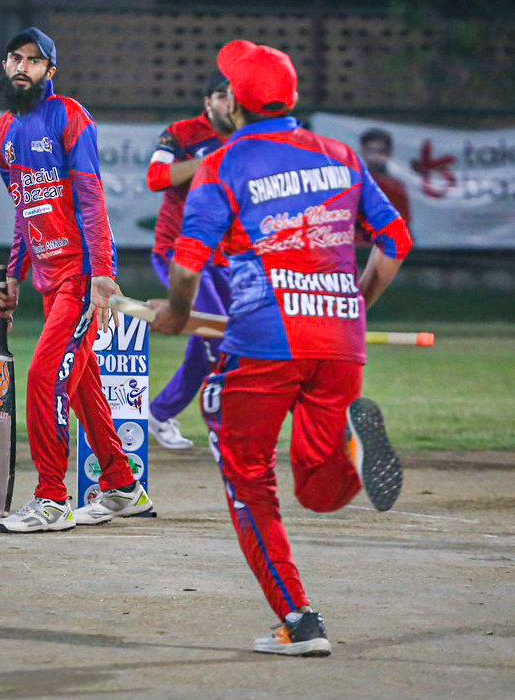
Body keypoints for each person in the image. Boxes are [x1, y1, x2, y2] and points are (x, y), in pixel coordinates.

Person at [150, 39, 412, 656]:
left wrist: (176, 314)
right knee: (317, 490)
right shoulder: (341, 155)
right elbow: (396, 241)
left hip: (264, 342)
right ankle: (351, 449)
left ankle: (300, 620)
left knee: (249, 479)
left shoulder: (223, 163)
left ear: (235, 104)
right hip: (340, 338)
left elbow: (186, 265)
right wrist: (354, 305)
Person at [0, 26, 152, 532]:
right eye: (15, 58)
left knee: (44, 377)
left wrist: (103, 274)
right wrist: (12, 278)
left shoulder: (68, 115)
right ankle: (122, 485)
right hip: (47, 277)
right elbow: (24, 212)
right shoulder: (1, 133)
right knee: (81, 386)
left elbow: (91, 196)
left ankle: (52, 499)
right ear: (5, 65)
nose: (22, 67)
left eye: (34, 60)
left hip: (81, 276)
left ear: (50, 71)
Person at [144, 72, 234, 449]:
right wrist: (209, 162)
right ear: (208, 101)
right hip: (178, 250)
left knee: (215, 336)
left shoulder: (249, 137)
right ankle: (224, 429)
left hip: (226, 257)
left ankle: (160, 412)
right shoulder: (181, 133)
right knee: (217, 333)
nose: (230, 103)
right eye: (222, 95)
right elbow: (156, 177)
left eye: (236, 96)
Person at [358, 127, 412, 225]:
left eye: (381, 151)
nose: (376, 156)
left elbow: (404, 222)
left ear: (389, 153)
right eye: (371, 151)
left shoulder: (396, 187)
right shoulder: (355, 184)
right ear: (362, 152)